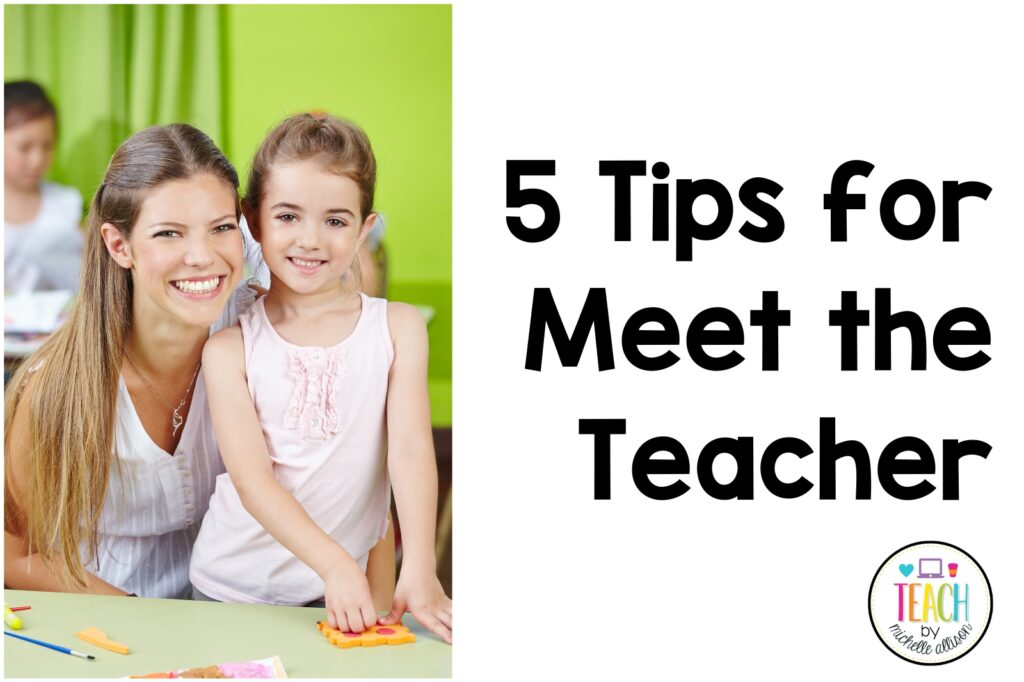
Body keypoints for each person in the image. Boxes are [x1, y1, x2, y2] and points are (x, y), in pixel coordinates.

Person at [2, 122, 397, 601]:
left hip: (245, 609)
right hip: (108, 622)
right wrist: (141, 618)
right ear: (118, 245)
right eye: (169, 233)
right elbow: (13, 549)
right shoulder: (56, 389)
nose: (201, 257)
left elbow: (359, 485)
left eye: (221, 228)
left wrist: (379, 619)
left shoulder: (273, 341)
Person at [189, 113, 452, 643]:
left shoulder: (397, 329)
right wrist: (335, 565)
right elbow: (254, 481)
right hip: (233, 590)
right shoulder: (228, 347)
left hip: (344, 593)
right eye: (288, 216)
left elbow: (409, 453)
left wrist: (419, 565)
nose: (310, 239)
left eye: (335, 221)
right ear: (253, 220)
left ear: (364, 230)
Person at [4, 81, 84, 293]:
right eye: (24, 147)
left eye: (47, 146)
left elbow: (85, 273)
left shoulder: (65, 203)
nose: (37, 159)